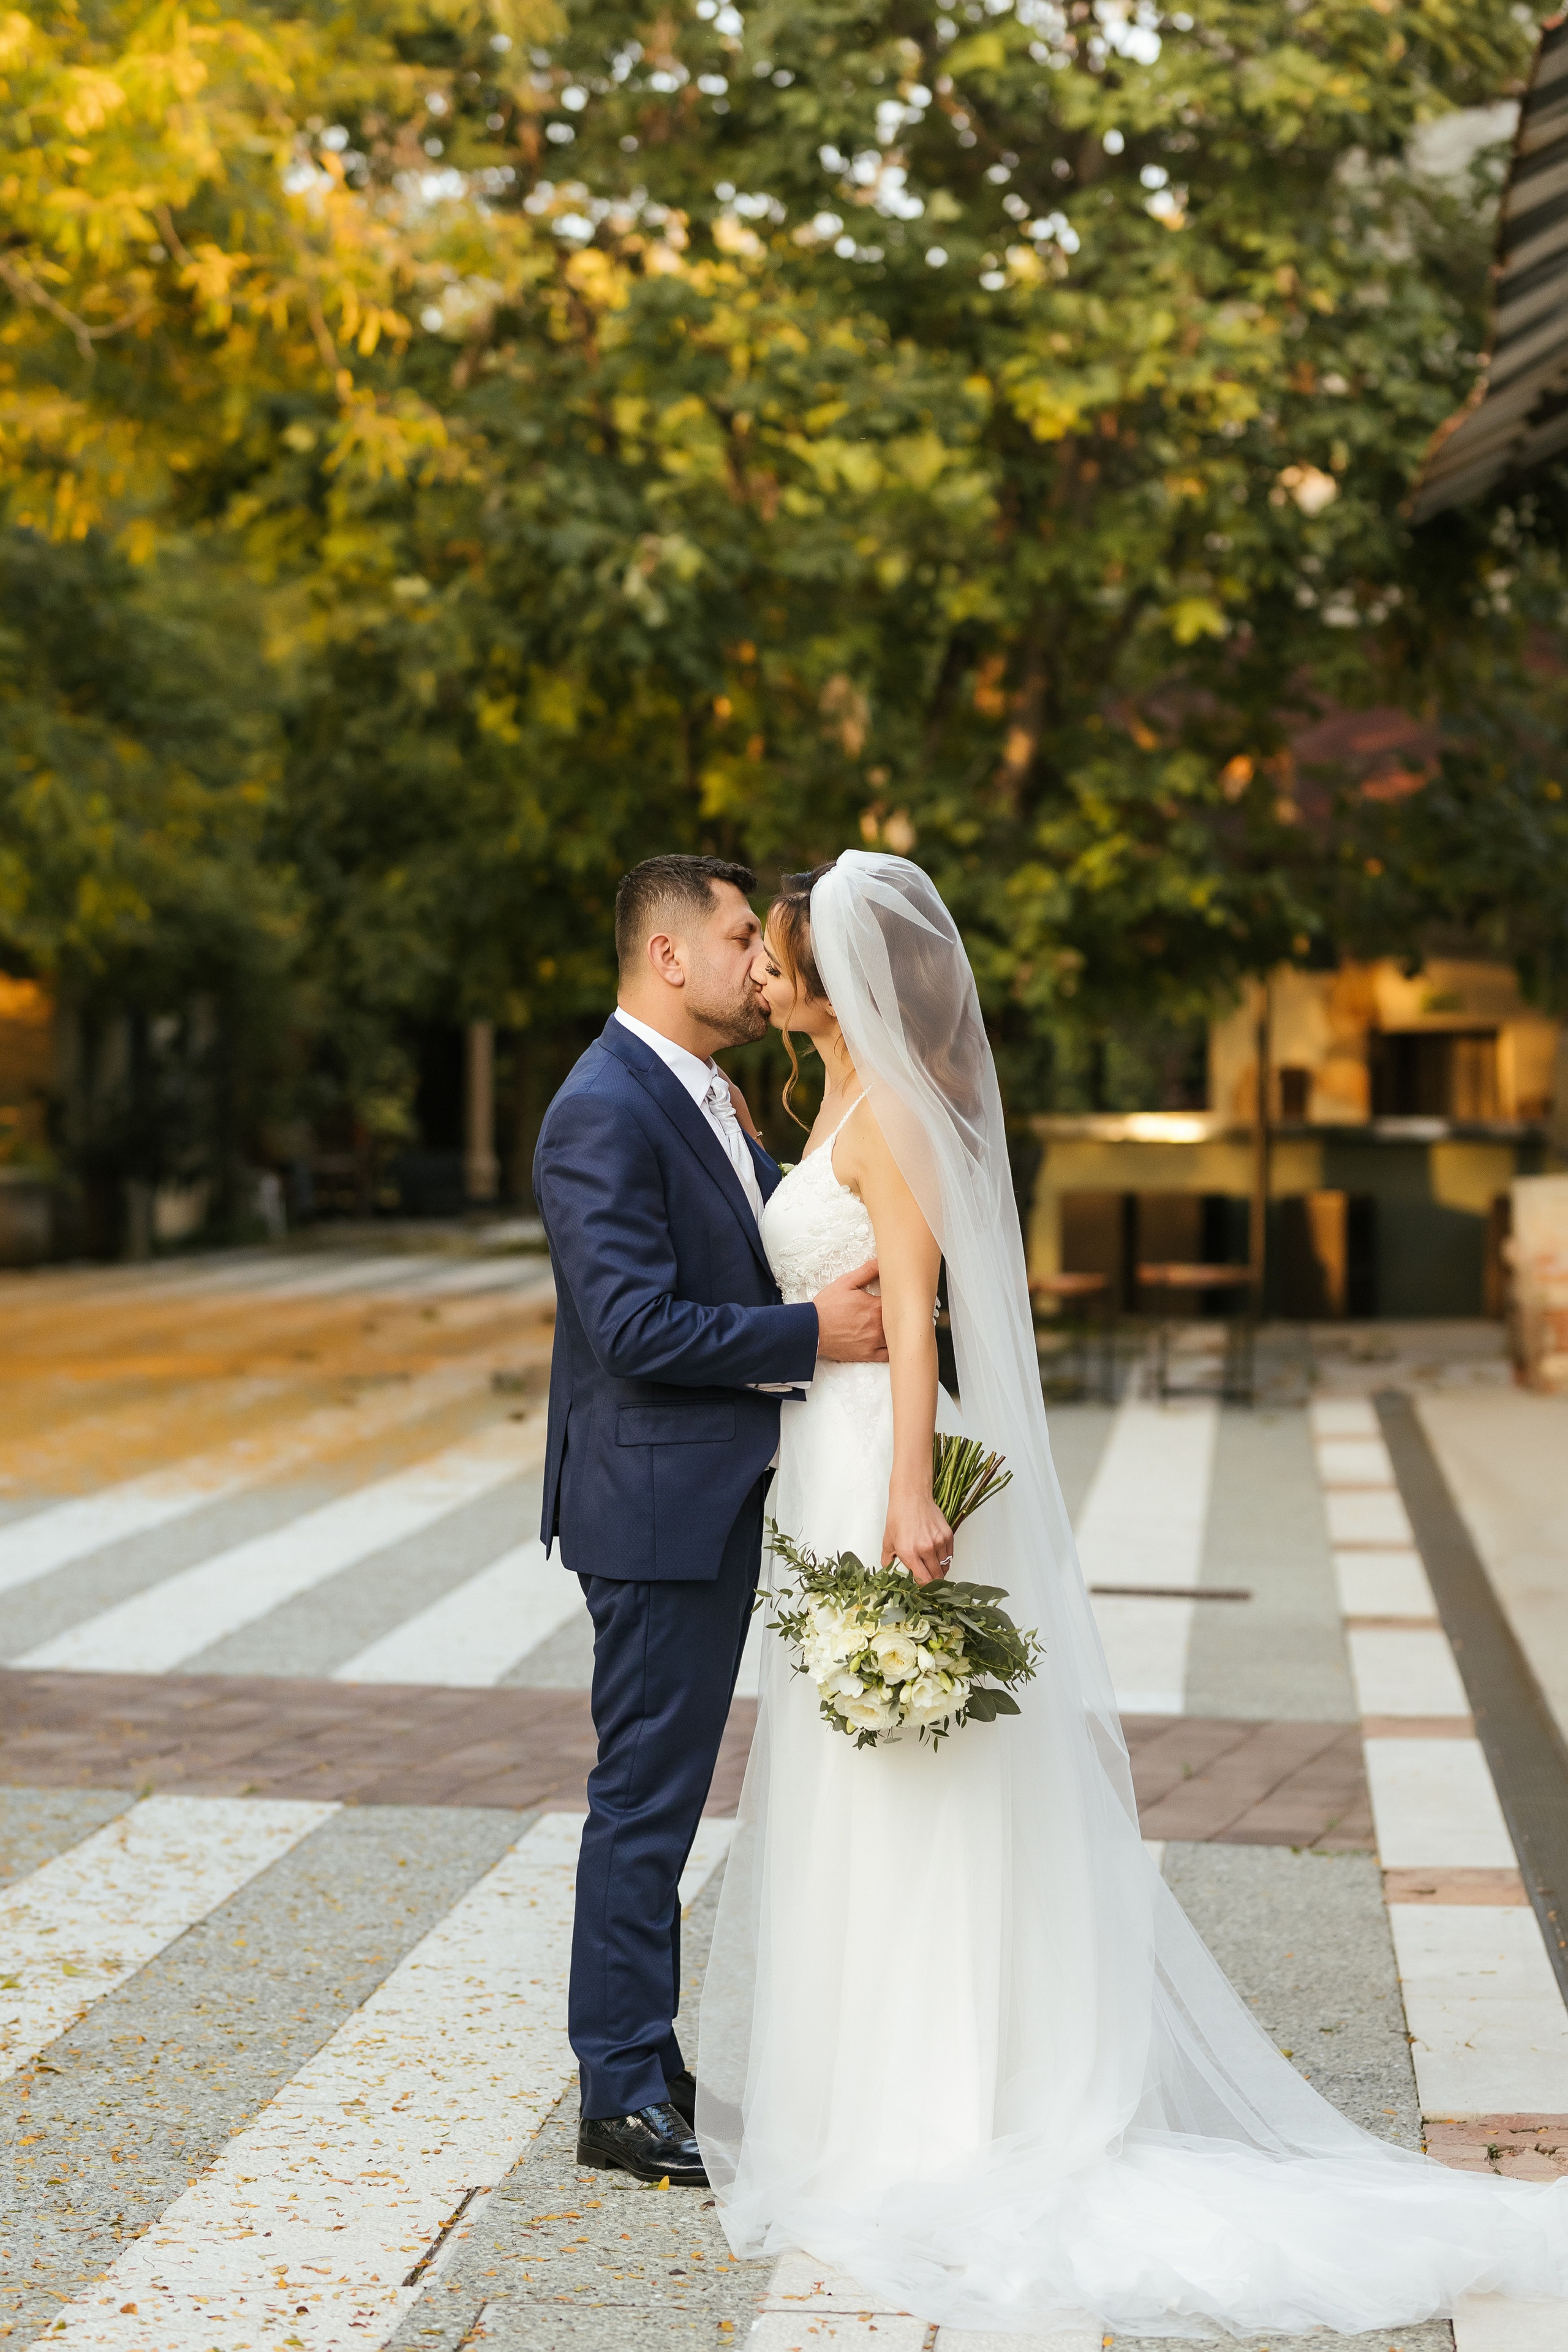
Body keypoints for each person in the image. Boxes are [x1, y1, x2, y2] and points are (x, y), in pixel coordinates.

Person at [697, 849, 1568, 2339]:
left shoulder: (890, 1111)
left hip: (870, 1463)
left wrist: (908, 1492)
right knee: (856, 1773)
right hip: (817, 1462)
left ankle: (938, 2109)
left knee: (912, 1774)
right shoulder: (827, 1097)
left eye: (777, 955)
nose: (762, 972)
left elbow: (916, 1324)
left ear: (838, 980)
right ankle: (870, 2087)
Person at [532, 853, 889, 2190]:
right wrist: (814, 1332)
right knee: (645, 1799)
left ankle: (652, 2055)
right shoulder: (601, 1109)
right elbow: (628, 1327)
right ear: (667, 957)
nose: (764, 961)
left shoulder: (702, 1096)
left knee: (669, 1794)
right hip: (655, 1504)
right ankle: (618, 2090)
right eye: (742, 939)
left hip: (737, 1487)